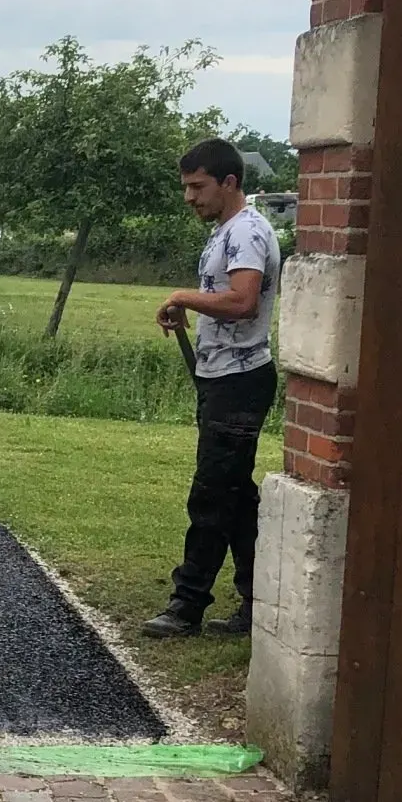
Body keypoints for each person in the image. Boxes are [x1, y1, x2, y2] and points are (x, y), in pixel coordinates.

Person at [143, 136, 281, 640]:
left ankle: (187, 606)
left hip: (239, 383)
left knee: (211, 495)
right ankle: (256, 602)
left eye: (197, 186)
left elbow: (243, 301)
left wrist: (183, 295)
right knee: (237, 499)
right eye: (185, 187)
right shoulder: (227, 231)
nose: (189, 197)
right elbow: (224, 298)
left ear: (230, 182)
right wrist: (191, 308)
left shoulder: (246, 232)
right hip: (225, 378)